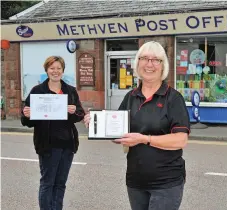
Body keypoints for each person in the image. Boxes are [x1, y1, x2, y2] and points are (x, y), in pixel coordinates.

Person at [84, 41, 190, 210]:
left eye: (156, 60)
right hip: (135, 181)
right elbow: (119, 135)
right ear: (137, 63)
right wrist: (98, 123)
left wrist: (144, 139)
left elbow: (180, 140)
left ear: (163, 66)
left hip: (166, 182)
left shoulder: (173, 98)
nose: (149, 64)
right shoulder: (131, 97)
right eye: (144, 58)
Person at [21, 56, 85, 210]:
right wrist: (27, 115)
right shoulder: (38, 91)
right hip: (47, 145)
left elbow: (80, 114)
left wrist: (74, 111)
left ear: (63, 71)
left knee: (60, 184)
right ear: (47, 70)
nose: (55, 71)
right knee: (48, 183)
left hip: (67, 144)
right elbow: (27, 120)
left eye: (58, 68)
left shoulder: (70, 90)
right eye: (52, 68)